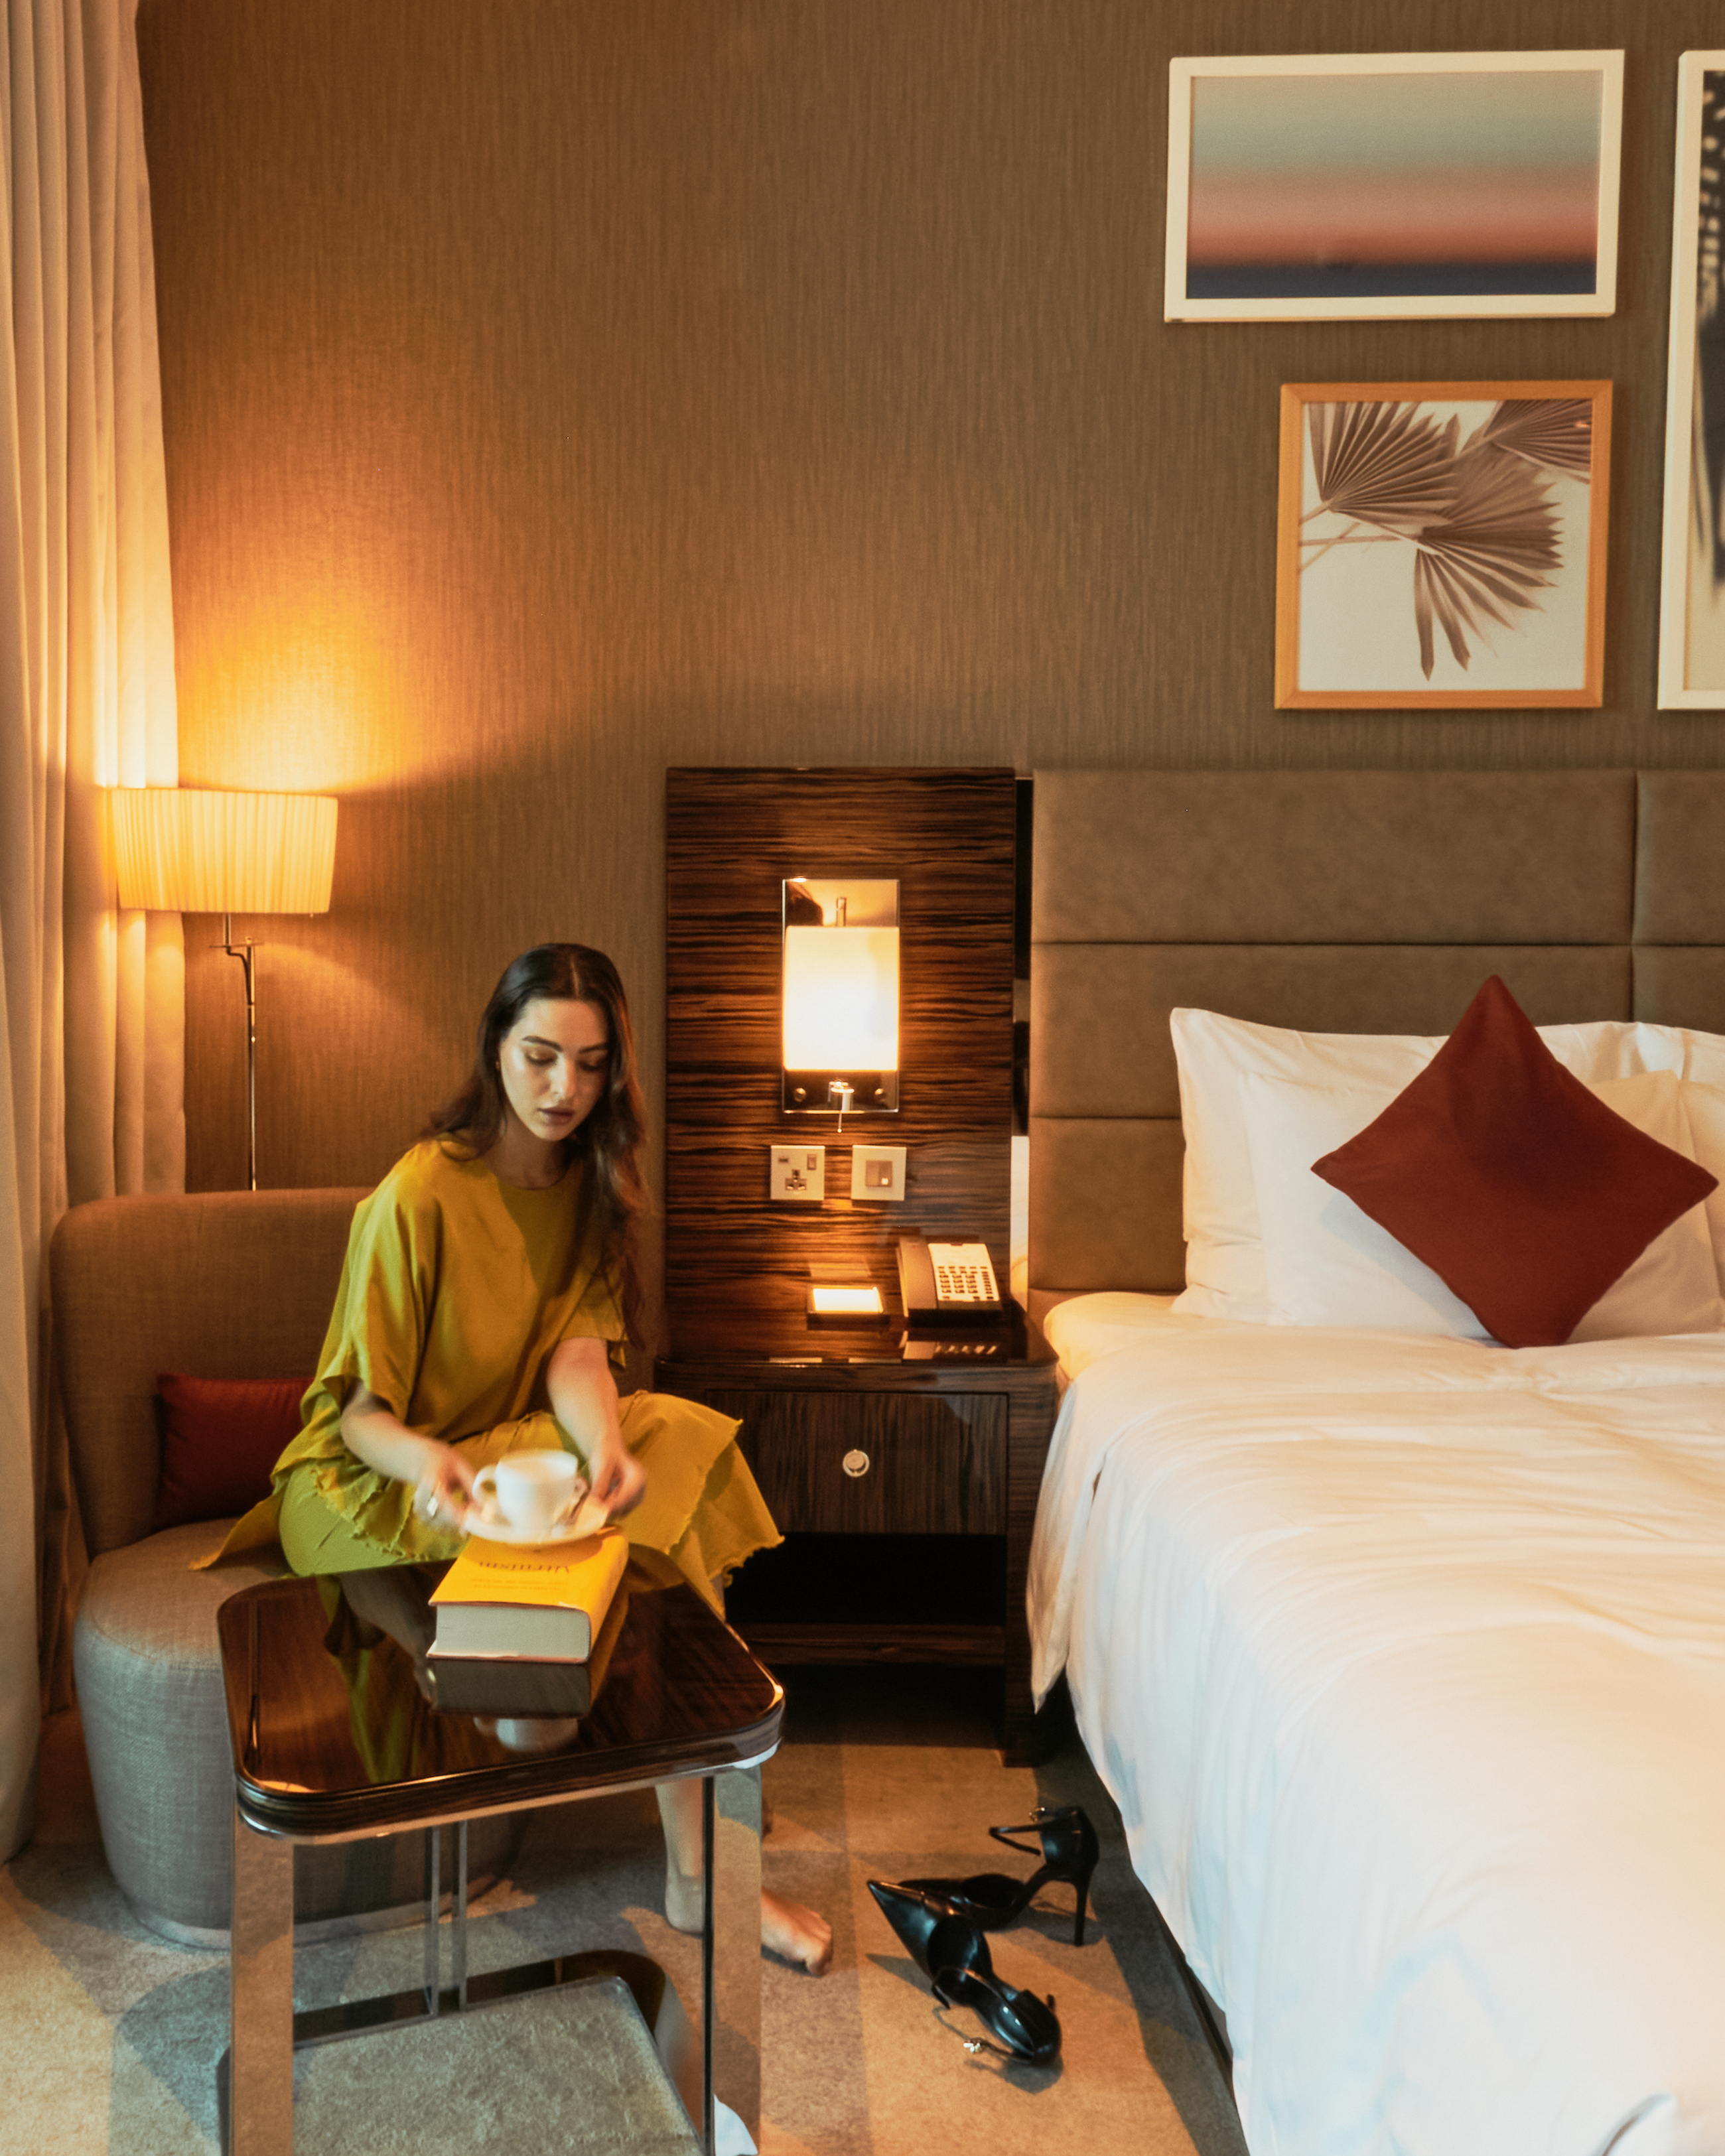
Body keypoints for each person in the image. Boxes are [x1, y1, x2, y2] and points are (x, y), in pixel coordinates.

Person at [216, 942, 833, 1976]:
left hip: (497, 1446)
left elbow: (578, 1353)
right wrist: (426, 1465)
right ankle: (700, 1865)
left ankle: (697, 1870)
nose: (566, 1089)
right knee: (619, 1498)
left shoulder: (587, 1180)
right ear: (496, 1048)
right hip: (360, 1477)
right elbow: (359, 1412)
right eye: (542, 1055)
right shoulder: (419, 1192)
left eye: (593, 1064)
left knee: (671, 1443)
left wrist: (601, 1449)